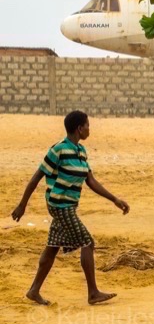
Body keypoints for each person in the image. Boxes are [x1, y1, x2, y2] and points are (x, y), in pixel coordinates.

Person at [10, 110, 130, 305]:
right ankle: (93, 293)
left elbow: (90, 180)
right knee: (87, 242)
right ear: (79, 128)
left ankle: (34, 290)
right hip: (59, 205)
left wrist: (114, 199)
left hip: (69, 206)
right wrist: (22, 205)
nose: (89, 129)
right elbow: (36, 178)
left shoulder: (81, 152)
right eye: (88, 125)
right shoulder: (58, 150)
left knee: (52, 247)